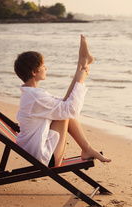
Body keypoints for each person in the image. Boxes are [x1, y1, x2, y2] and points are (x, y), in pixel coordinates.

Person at [14, 34, 111, 167]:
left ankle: (81, 63)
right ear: (34, 72)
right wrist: (80, 81)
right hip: (46, 159)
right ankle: (87, 148)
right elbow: (70, 110)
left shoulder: (31, 95)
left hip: (40, 154)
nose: (45, 68)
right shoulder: (35, 97)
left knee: (63, 109)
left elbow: (64, 102)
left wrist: (78, 72)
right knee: (65, 112)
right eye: (43, 66)